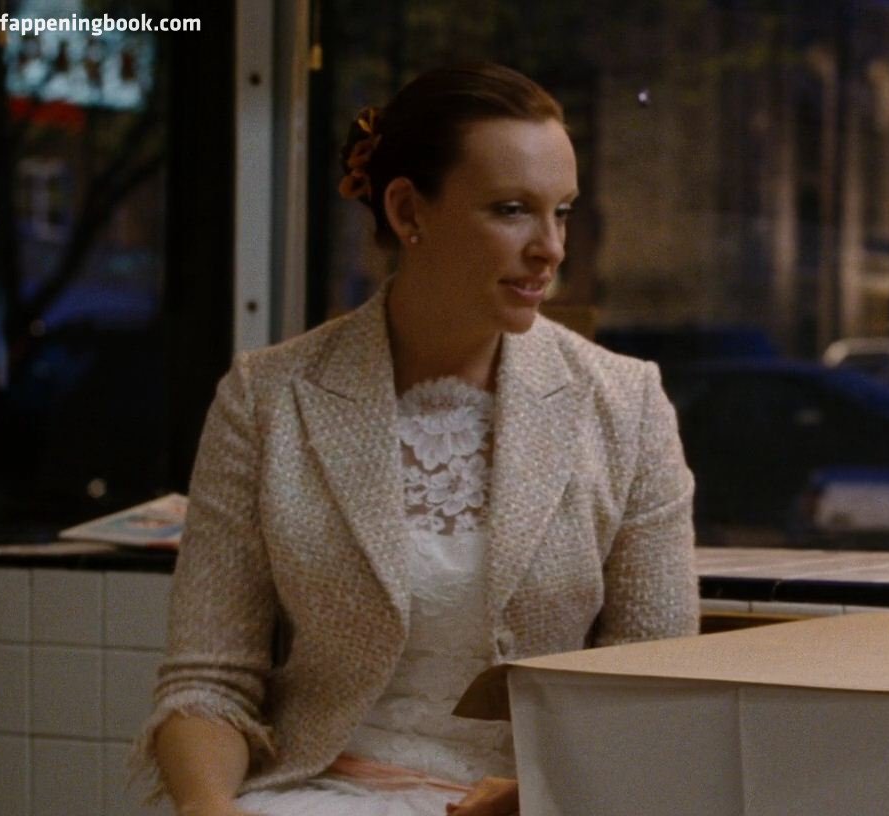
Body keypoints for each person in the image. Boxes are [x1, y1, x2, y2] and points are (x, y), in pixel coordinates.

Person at [137, 63, 699, 816]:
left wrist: (536, 796)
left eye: (561, 212)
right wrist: (211, 811)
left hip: (547, 802)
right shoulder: (267, 397)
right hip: (322, 793)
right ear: (408, 210)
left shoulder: (626, 403)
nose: (551, 248)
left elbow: (654, 684)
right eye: (512, 210)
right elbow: (208, 682)